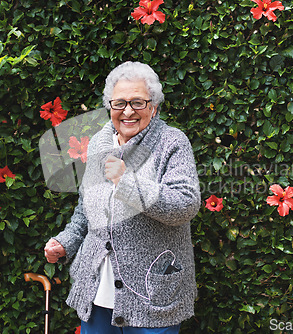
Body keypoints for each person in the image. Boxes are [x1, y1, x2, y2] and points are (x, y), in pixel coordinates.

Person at [44, 61, 200, 333]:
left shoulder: (172, 143)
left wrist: (126, 181)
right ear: (110, 106)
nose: (128, 111)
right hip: (96, 293)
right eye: (119, 103)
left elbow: (185, 205)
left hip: (151, 296)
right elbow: (86, 208)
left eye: (138, 102)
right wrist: (65, 242)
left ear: (153, 106)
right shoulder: (99, 143)